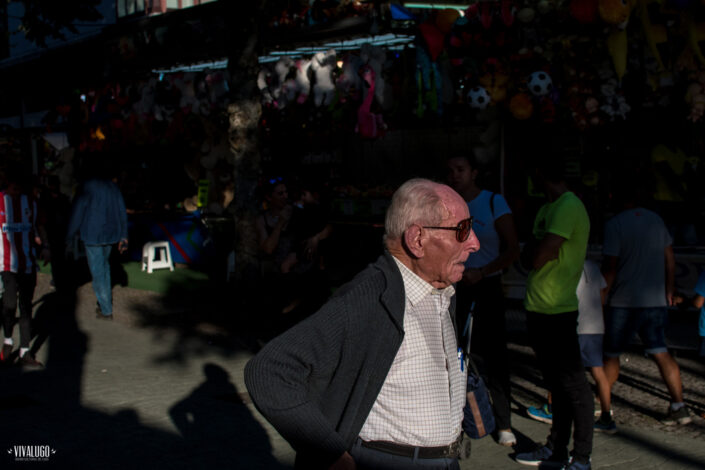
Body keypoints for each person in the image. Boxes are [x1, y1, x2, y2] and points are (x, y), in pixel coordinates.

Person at [245, 178, 480, 470]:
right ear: (417, 239)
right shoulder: (368, 298)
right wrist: (327, 452)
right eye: (462, 230)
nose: (475, 242)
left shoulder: (439, 289)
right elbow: (269, 371)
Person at [515, 156, 593, 470]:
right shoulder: (549, 208)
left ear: (540, 176)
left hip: (557, 310)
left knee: (574, 386)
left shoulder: (568, 206)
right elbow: (529, 255)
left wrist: (536, 249)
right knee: (558, 386)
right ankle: (556, 449)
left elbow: (536, 257)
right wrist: (536, 250)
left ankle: (582, 457)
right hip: (537, 307)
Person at [601, 180, 692, 425]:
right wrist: (669, 289)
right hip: (654, 300)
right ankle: (679, 405)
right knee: (660, 351)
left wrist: (601, 297)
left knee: (611, 354)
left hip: (623, 300)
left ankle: (604, 408)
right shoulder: (655, 220)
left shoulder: (615, 225)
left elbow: (611, 267)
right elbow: (670, 259)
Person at [446, 154, 520, 447]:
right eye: (450, 171)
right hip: (455, 287)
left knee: (495, 356)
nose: (454, 175)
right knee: (456, 356)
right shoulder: (447, 204)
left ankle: (503, 423)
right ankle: (460, 420)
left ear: (474, 173)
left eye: (460, 170)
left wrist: (483, 271)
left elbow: (513, 249)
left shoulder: (492, 201)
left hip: (487, 287)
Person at [526, 259, 616, 434]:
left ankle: (551, 409)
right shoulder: (593, 266)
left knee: (559, 369)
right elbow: (602, 292)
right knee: (598, 372)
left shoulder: (564, 265)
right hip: (595, 326)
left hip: (575, 325)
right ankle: (606, 415)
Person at [66, 160, 128, 320]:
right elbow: (122, 212)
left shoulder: (87, 187)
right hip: (110, 234)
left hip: (92, 234)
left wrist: (69, 235)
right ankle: (104, 302)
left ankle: (106, 308)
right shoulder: (113, 187)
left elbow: (77, 213)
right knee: (104, 267)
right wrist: (123, 235)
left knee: (98, 271)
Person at [0, 170, 44, 367]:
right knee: (9, 305)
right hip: (6, 264)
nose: (16, 192)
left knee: (26, 307)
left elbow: (38, 226)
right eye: (12, 188)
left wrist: (44, 245)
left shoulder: (30, 204)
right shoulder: (0, 202)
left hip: (27, 264)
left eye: (19, 189)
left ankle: (26, 351)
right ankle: (8, 340)